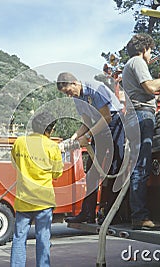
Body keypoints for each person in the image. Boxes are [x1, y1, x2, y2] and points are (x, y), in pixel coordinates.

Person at [56, 72, 125, 224]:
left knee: (114, 168)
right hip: (98, 126)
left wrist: (87, 136)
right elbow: (86, 123)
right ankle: (87, 213)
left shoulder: (94, 89)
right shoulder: (77, 98)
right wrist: (72, 139)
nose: (69, 96)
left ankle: (112, 214)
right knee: (92, 172)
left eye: (68, 91)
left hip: (114, 123)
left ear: (75, 83)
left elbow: (107, 117)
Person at [10, 111, 63, 267]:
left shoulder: (19, 142)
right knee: (43, 239)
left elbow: (15, 164)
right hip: (44, 201)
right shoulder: (52, 147)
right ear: (50, 129)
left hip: (23, 199)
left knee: (19, 238)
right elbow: (56, 173)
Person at [122, 33, 160, 230]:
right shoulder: (137, 62)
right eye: (150, 50)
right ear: (144, 48)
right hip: (142, 116)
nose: (151, 54)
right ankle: (139, 216)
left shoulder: (129, 64)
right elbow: (149, 87)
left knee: (138, 166)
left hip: (135, 117)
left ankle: (138, 213)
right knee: (141, 166)